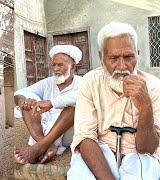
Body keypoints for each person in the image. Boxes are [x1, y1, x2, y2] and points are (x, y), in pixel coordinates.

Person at [67, 21, 160, 179]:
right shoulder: (90, 82)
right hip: (100, 149)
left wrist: (145, 108)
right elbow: (85, 138)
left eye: (129, 56)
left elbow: (147, 147)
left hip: (138, 153)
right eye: (114, 58)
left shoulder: (153, 86)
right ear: (101, 57)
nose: (122, 66)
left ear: (137, 54)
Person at [14, 44, 82, 164]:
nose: (55, 69)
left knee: (73, 107)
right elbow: (19, 93)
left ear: (73, 67)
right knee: (29, 100)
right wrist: (24, 102)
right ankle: (46, 145)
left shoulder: (83, 82)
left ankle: (39, 147)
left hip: (68, 134)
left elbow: (83, 97)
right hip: (44, 131)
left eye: (60, 65)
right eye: (54, 65)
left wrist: (52, 102)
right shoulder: (48, 82)